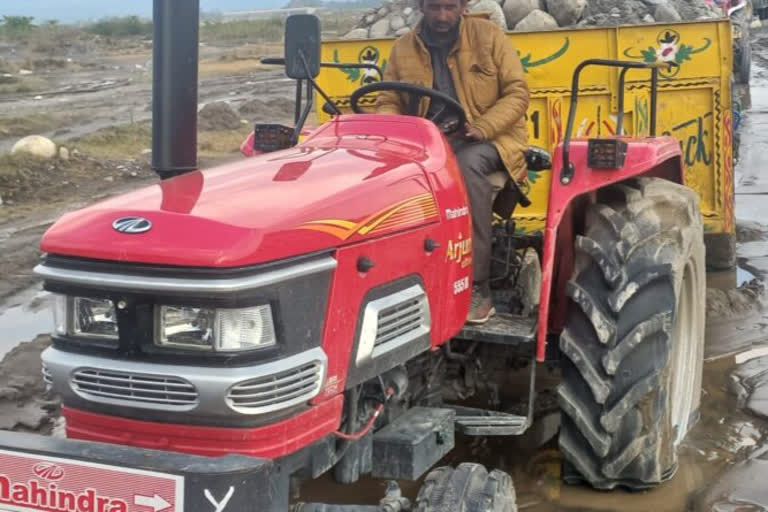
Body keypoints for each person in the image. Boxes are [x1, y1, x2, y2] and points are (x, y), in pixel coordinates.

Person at [377, 0, 530, 324]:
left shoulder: (488, 37)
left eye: (450, 7)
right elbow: (388, 100)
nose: (443, 16)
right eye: (435, 8)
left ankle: (477, 283)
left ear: (463, 6)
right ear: (421, 6)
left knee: (462, 170)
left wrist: (484, 126)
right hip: (430, 142)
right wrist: (394, 129)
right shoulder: (403, 49)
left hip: (490, 138)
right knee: (386, 178)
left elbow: (517, 92)